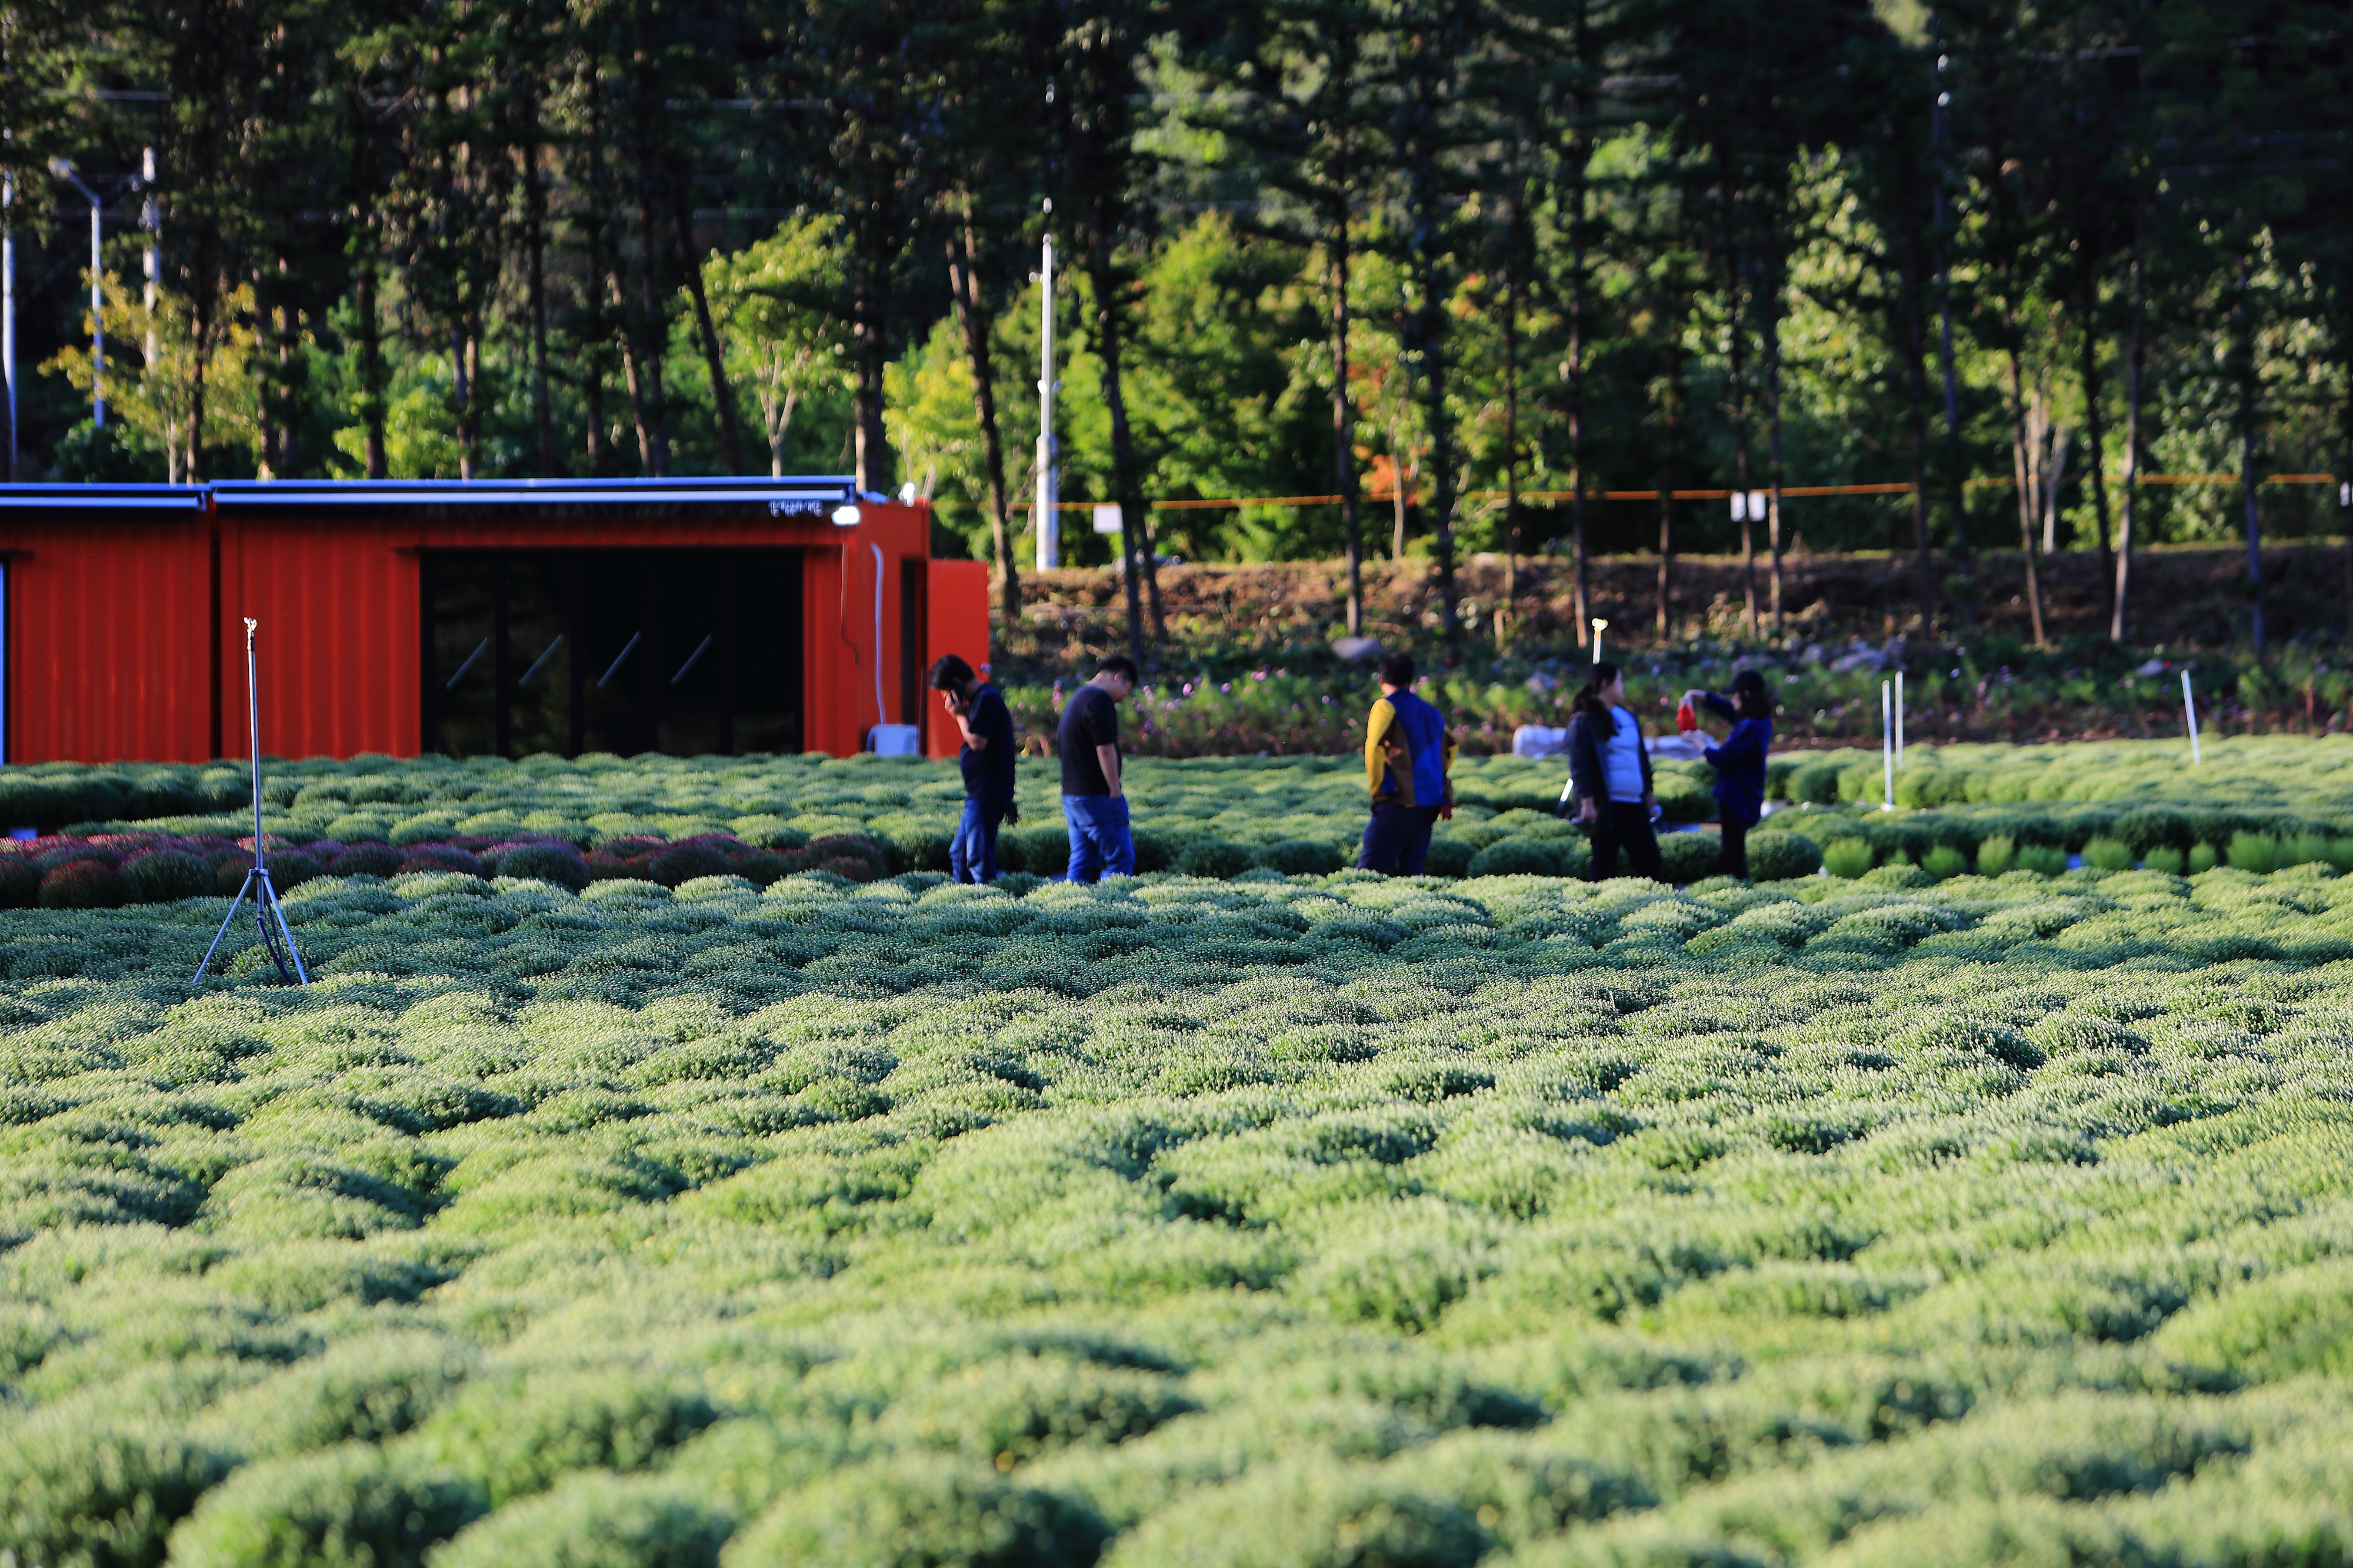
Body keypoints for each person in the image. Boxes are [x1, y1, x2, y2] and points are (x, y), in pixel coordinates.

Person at [1564, 660, 1665, 881]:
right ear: (1605, 684)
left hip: (1635, 804)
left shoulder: (1628, 717)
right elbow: (1580, 765)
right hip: (1606, 807)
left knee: (1651, 861)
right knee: (1605, 865)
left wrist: (1649, 796)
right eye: (1620, 680)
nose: (1623, 685)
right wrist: (1588, 803)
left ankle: (1650, 899)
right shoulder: (1585, 720)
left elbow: (1641, 759)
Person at [1358, 652, 1455, 875]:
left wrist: (1377, 790)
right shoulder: (1432, 712)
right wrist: (1432, 777)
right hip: (1430, 803)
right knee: (1411, 871)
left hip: (1399, 801)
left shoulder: (1385, 706)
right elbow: (1451, 748)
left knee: (1370, 871)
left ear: (1381, 679)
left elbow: (1374, 747)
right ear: (1411, 679)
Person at [929, 654, 1016, 883]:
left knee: (977, 859)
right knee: (959, 854)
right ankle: (964, 900)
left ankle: (989, 902)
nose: (945, 697)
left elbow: (977, 742)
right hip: (978, 793)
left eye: (946, 690)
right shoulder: (980, 700)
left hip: (987, 793)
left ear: (956, 682)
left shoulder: (987, 699)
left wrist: (959, 717)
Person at [1681, 670, 1775, 880]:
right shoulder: (1759, 721)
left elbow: (1720, 758)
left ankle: (1741, 893)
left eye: (1734, 694)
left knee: (1733, 860)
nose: (1732, 698)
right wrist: (1702, 696)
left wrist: (1697, 740)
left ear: (1746, 694)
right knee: (1726, 858)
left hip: (1737, 799)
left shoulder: (1750, 728)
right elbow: (1730, 711)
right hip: (1743, 797)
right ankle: (1732, 889)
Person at [1056, 655, 1138, 882]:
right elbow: (1105, 748)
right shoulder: (1099, 699)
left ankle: (1072, 903)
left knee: (1082, 862)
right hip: (1096, 796)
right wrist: (1115, 790)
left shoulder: (1080, 696)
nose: (1123, 697)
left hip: (1073, 795)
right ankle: (1114, 903)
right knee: (1120, 860)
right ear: (1118, 678)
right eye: (1126, 689)